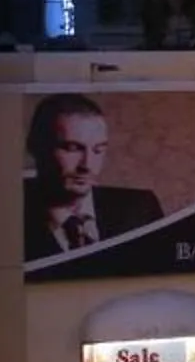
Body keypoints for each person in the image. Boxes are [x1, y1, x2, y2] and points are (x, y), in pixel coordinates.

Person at [23, 93, 163, 263]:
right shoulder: (4, 220)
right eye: (72, 148)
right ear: (35, 146)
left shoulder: (141, 209)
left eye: (98, 150)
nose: (87, 166)